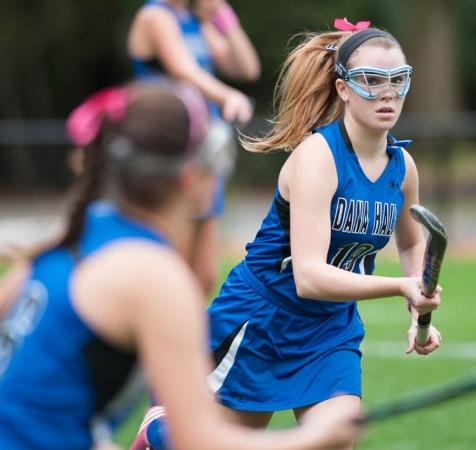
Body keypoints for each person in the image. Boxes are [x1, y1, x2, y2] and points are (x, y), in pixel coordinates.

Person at [133, 17, 443, 450]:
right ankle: (159, 433)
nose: (388, 92)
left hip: (331, 329)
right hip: (262, 321)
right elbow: (309, 277)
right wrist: (401, 286)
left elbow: (410, 241)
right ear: (343, 88)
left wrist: (417, 307)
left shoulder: (402, 168)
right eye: (372, 80)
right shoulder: (318, 157)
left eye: (398, 79)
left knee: (336, 441)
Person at [0, 80, 362, 450]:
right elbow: (197, 440)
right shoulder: (157, 277)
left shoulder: (76, 231)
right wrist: (313, 437)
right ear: (192, 179)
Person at [127, 0, 261, 294]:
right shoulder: (155, 15)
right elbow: (182, 68)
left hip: (205, 148)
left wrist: (223, 17)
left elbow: (247, 68)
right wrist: (227, 97)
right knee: (176, 263)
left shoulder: (196, 21)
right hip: (171, 148)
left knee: (204, 275)